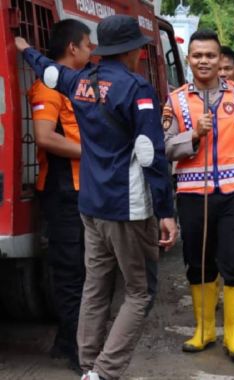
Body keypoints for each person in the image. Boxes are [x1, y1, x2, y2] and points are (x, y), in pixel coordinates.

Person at [16, 15, 178, 380]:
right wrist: (166, 211)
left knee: (94, 286)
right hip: (127, 207)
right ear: (133, 50)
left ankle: (88, 365)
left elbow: (49, 72)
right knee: (140, 292)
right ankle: (104, 373)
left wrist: (26, 49)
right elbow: (151, 156)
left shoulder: (80, 81)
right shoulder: (138, 90)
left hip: (89, 203)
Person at [163, 29, 234, 360]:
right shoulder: (176, 100)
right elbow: (166, 148)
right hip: (193, 194)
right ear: (188, 59)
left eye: (210, 55)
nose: (204, 61)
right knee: (197, 262)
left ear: (220, 59)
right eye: (197, 55)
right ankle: (204, 330)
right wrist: (193, 137)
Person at [28, 19, 91, 374]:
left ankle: (68, 341)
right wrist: (95, 154)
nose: (91, 51)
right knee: (72, 272)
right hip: (64, 191)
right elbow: (45, 137)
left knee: (83, 269)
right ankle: (75, 349)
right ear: (72, 48)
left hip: (81, 190)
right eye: (87, 45)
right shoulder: (50, 88)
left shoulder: (77, 86)